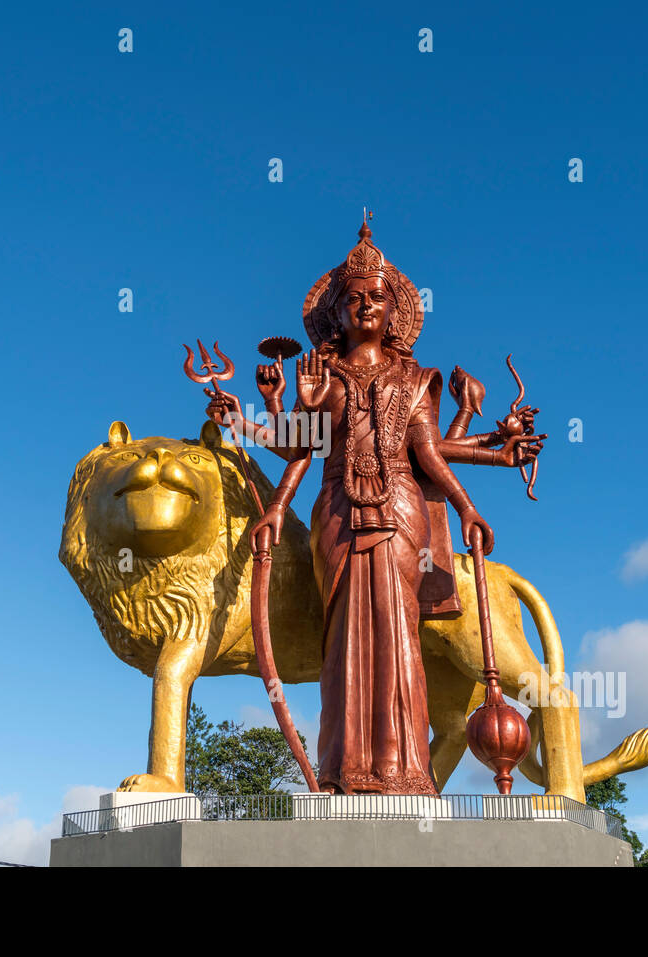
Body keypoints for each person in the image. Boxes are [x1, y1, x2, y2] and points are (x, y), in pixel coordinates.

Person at [206, 223, 541, 794]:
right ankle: (340, 771)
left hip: (400, 511)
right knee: (343, 637)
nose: (365, 305)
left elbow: (429, 454)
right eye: (353, 297)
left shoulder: (416, 378)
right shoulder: (323, 374)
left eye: (376, 297)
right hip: (336, 508)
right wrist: (250, 420)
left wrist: (466, 507)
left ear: (394, 310)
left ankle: (404, 771)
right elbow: (299, 445)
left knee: (399, 630)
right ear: (336, 312)